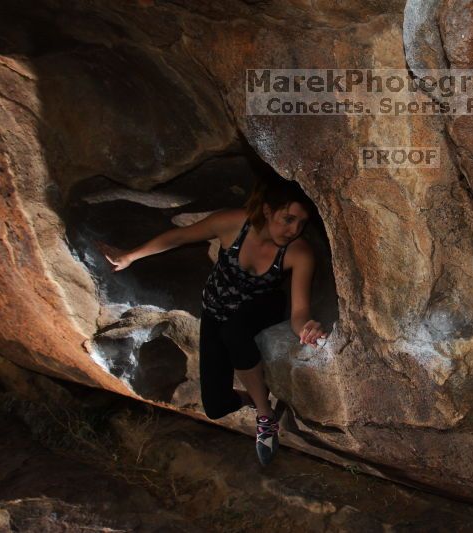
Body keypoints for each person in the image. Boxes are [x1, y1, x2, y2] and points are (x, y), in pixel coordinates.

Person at [97, 177, 326, 466]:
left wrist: (307, 328)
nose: (294, 230)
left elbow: (299, 312)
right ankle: (257, 393)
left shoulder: (299, 252)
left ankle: (265, 416)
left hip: (262, 307)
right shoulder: (233, 223)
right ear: (267, 211)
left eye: (301, 223)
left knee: (235, 333)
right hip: (216, 311)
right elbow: (178, 237)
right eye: (288, 219)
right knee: (216, 407)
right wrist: (129, 256)